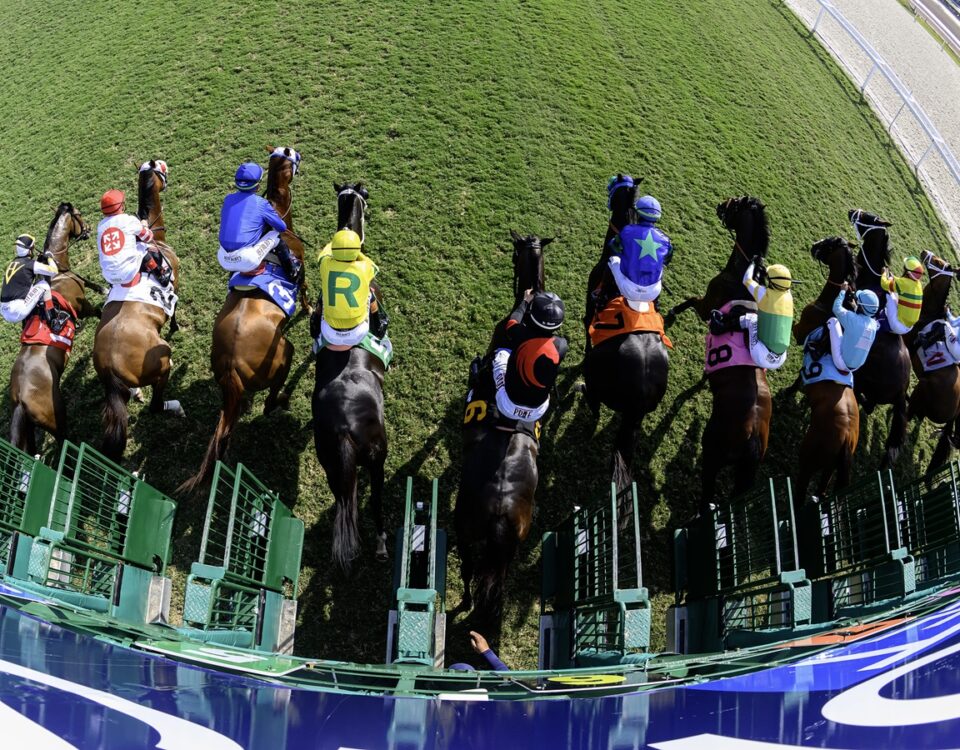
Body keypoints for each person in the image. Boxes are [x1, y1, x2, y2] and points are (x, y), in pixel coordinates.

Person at [490, 290, 568, 422]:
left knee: (501, 353)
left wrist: (525, 301)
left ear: (532, 315)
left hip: (507, 405)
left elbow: (513, 321)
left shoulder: (519, 333)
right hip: (538, 412)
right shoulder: (562, 345)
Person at [217, 162, 302, 282]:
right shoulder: (261, 203)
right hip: (247, 259)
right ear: (257, 185)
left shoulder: (228, 199)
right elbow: (282, 227)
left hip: (222, 258)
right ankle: (292, 271)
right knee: (276, 237)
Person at [709, 258, 794, 370]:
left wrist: (753, 264)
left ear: (772, 282)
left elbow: (746, 280)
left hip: (761, 356)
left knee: (752, 318)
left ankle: (720, 327)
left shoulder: (764, 294)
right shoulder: (789, 297)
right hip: (781, 359)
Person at [314, 228, 388, 347]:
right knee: (370, 294)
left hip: (329, 332)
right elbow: (375, 267)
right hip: (357, 333)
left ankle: (315, 324)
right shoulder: (366, 267)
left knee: (323, 294)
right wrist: (356, 252)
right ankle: (378, 326)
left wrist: (333, 244)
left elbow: (324, 254)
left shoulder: (325, 264)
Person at [605, 195, 674, 308]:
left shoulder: (627, 230)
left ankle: (601, 295)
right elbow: (666, 261)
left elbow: (613, 246)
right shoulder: (666, 240)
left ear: (637, 214)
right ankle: (656, 304)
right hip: (653, 292)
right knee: (660, 268)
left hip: (629, 289)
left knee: (614, 259)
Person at [97, 189, 170, 287]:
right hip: (128, 273)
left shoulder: (100, 226)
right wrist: (144, 225)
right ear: (122, 206)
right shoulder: (129, 220)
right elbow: (148, 237)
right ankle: (160, 276)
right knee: (141, 246)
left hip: (108, 277)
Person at [0, 234, 62, 329]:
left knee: (32, 287)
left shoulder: (12, 263)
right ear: (30, 250)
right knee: (43, 285)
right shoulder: (30, 264)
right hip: (17, 311)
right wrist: (49, 258)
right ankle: (53, 320)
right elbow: (54, 271)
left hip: (3, 311)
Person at [824, 283, 880, 373]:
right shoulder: (874, 324)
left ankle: (819, 348)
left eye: (858, 300)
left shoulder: (852, 318)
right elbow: (863, 318)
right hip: (856, 367)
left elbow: (836, 307)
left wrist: (842, 291)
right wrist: (855, 307)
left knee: (833, 321)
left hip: (841, 362)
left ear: (861, 306)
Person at [879, 256, 924, 335]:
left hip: (897, 325)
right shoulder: (919, 284)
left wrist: (884, 273)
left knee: (888, 294)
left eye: (905, 268)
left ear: (908, 273)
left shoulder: (903, 283)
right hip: (909, 328)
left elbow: (884, 284)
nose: (903, 269)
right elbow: (900, 284)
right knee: (895, 295)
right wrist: (893, 278)